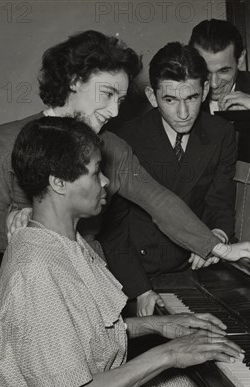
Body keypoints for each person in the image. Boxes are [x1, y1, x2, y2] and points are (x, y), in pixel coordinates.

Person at [0, 115, 250, 387]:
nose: (106, 182)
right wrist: (167, 354)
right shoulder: (36, 269)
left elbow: (82, 335)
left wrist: (158, 324)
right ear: (58, 182)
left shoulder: (60, 241)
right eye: (95, 171)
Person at [0, 30, 250, 267]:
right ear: (73, 82)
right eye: (107, 94)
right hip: (31, 272)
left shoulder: (113, 147)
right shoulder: (6, 139)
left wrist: (217, 248)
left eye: (119, 99)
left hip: (92, 273)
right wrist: (10, 224)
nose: (114, 111)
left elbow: (160, 202)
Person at [99, 42, 236, 316]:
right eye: (170, 100)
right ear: (152, 96)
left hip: (192, 270)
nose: (183, 113)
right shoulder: (125, 139)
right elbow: (113, 230)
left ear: (206, 90)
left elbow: (220, 202)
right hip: (135, 276)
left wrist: (214, 237)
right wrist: (139, 289)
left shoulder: (222, 133)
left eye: (192, 98)